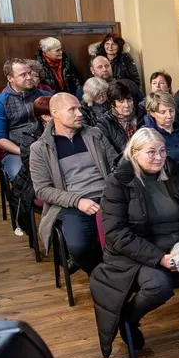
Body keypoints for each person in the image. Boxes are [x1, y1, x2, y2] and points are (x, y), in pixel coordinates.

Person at [90, 128, 179, 358]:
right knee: (159, 285)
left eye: (162, 151)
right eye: (151, 152)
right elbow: (116, 233)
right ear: (135, 153)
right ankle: (129, 319)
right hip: (136, 252)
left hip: (178, 246)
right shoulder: (118, 183)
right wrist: (160, 258)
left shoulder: (175, 172)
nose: (159, 157)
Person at [29, 93, 120, 274]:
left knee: (129, 235)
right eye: (72, 109)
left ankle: (120, 275)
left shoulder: (94, 134)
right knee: (79, 247)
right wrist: (78, 201)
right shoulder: (40, 148)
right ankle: (104, 277)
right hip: (71, 203)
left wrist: (114, 192)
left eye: (79, 108)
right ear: (55, 113)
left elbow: (116, 166)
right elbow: (42, 190)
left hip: (107, 196)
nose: (79, 113)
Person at [0, 58, 52, 181]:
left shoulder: (46, 96)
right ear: (10, 78)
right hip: (17, 151)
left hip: (48, 146)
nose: (29, 77)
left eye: (30, 73)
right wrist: (23, 152)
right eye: (23, 75)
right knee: (20, 176)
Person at [94, 80, 144, 153]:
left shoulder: (143, 114)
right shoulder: (105, 123)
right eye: (121, 101)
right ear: (112, 103)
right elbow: (108, 152)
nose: (126, 105)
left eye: (129, 100)